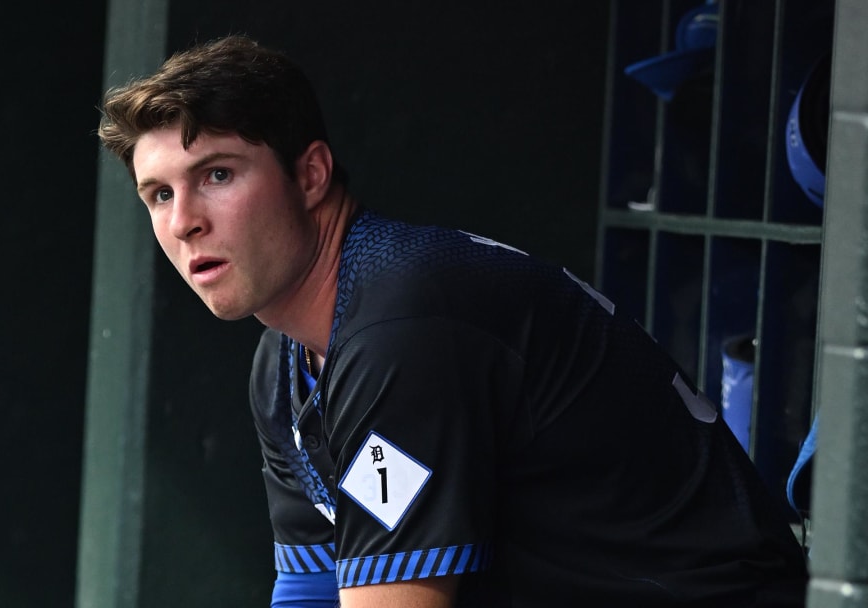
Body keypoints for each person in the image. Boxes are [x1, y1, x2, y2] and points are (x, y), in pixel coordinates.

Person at [97, 35, 808, 607]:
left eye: (217, 174)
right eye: (157, 194)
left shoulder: (403, 323)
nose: (184, 221)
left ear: (311, 175)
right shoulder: (287, 358)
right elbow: (313, 588)